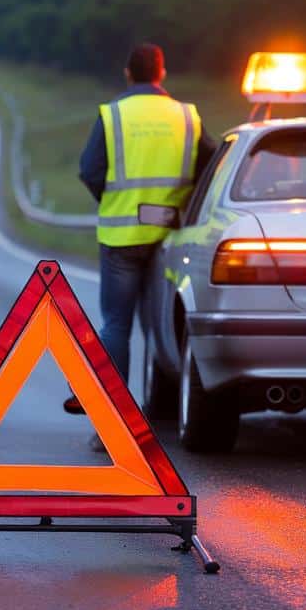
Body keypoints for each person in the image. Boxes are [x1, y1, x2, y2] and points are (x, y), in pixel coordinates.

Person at [66, 43, 217, 448]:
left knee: (118, 325)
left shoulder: (113, 114)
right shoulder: (188, 116)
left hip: (122, 238)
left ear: (127, 73)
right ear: (161, 74)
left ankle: (110, 427)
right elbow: (212, 164)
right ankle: (166, 412)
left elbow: (89, 171)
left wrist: (116, 202)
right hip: (169, 238)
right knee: (162, 323)